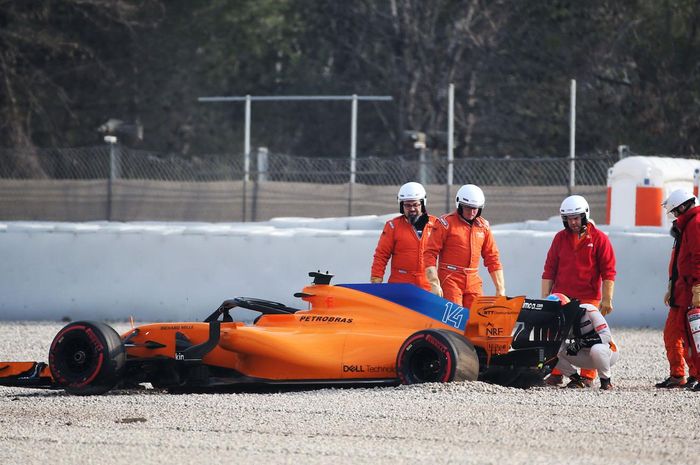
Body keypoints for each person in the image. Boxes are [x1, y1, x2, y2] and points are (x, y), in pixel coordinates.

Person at [541, 195, 616, 387]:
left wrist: (607, 299)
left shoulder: (600, 238)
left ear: (585, 216)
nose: (573, 222)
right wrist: (545, 299)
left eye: (576, 217)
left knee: (587, 338)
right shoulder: (560, 238)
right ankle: (557, 373)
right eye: (568, 218)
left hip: (589, 297)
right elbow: (549, 269)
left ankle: (587, 377)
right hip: (562, 297)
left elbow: (609, 271)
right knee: (556, 336)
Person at [423, 184, 505, 308]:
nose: (472, 212)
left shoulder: (484, 226)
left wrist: (500, 288)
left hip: (473, 280)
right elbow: (429, 254)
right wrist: (434, 283)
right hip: (450, 278)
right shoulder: (445, 223)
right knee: (455, 317)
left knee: (476, 319)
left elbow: (492, 257)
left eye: (475, 208)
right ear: (459, 204)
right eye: (468, 208)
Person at [655, 189, 700, 391]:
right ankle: (679, 375)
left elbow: (698, 258)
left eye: (674, 211)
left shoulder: (695, 224)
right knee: (675, 334)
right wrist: (672, 286)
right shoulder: (685, 226)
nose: (674, 216)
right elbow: (679, 262)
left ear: (682, 207)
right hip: (681, 290)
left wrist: (698, 286)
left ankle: (694, 375)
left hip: (690, 290)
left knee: (692, 336)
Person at [370, 182, 438, 290]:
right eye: (407, 205)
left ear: (422, 203)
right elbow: (381, 255)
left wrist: (438, 283)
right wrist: (376, 281)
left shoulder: (435, 225)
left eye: (415, 205)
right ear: (402, 206)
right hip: (400, 284)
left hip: (427, 284)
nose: (411, 209)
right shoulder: (393, 226)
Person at [547, 294, 619, 390]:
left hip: (608, 353)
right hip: (582, 356)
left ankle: (606, 381)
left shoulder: (589, 311)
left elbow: (606, 336)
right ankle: (576, 380)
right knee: (552, 350)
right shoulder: (556, 322)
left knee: (597, 349)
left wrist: (582, 343)